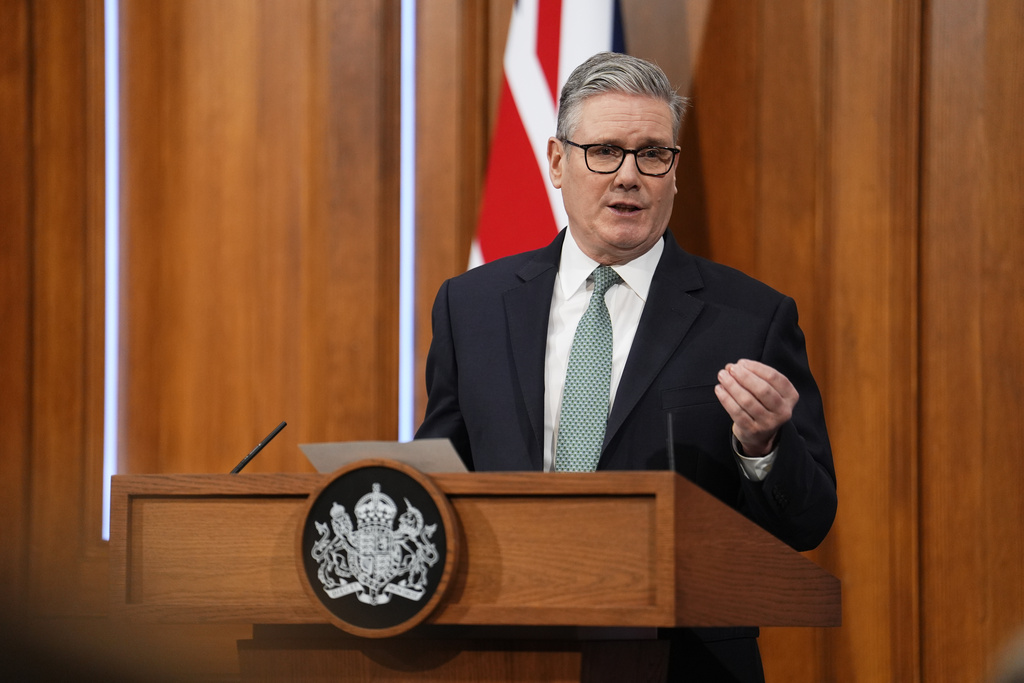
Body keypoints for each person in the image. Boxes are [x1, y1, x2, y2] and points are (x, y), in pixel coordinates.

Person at [416, 51, 837, 682]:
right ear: (558, 163)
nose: (629, 176)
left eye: (652, 154)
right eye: (605, 151)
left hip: (684, 662)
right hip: (505, 653)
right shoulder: (470, 307)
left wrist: (764, 445)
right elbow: (440, 482)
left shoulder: (749, 317)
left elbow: (807, 522)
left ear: (674, 172)